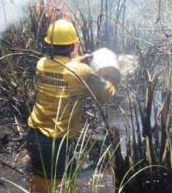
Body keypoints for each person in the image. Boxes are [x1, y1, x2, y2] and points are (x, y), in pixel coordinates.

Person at [26, 19, 117, 177]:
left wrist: (76, 60)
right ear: (74, 45)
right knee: (63, 190)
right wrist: (113, 79)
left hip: (34, 139)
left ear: (49, 44)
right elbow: (106, 94)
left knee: (40, 182)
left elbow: (63, 70)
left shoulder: (41, 64)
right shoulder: (81, 71)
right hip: (57, 147)